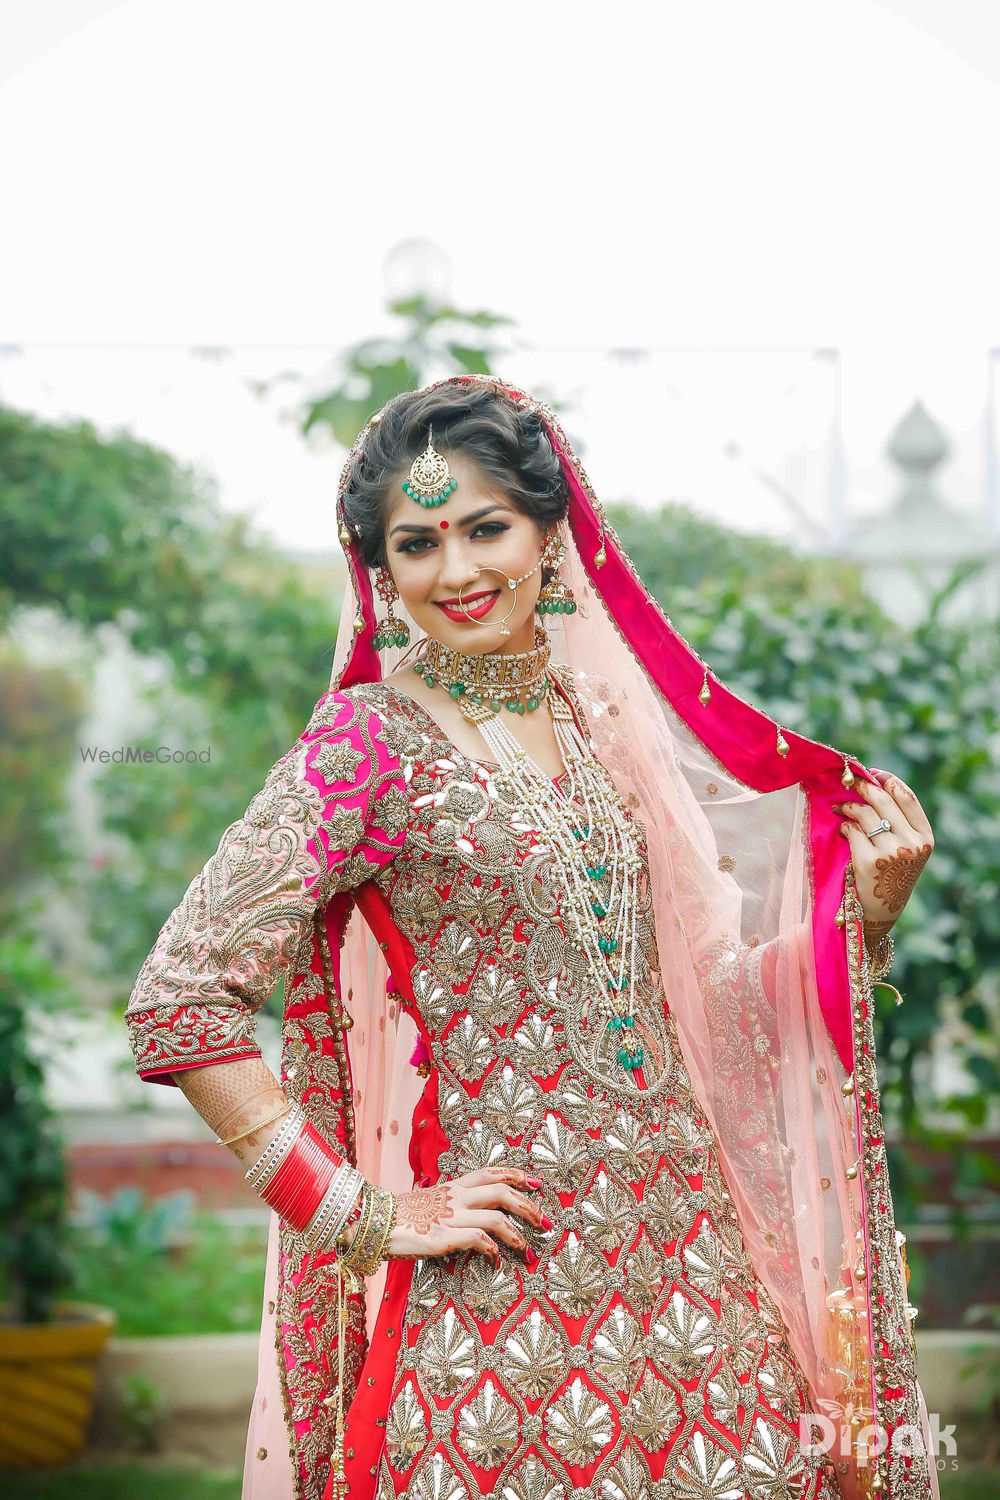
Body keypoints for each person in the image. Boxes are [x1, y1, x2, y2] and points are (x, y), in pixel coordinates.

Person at [124, 376, 940, 1500]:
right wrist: (361, 1214)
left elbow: (705, 1008)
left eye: (485, 528)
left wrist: (867, 915)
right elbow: (179, 999)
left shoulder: (603, 724)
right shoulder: (365, 747)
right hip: (504, 1296)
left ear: (550, 534)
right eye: (417, 544)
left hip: (701, 1283)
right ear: (382, 571)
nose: (456, 570)